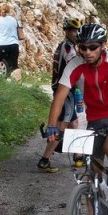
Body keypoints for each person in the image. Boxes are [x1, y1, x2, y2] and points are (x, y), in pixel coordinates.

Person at [45, 23, 108, 203]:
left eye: (93, 47)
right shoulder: (74, 65)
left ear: (103, 46)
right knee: (93, 174)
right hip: (95, 118)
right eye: (83, 47)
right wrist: (51, 125)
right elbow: (60, 97)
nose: (88, 52)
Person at [38, 17, 84, 173]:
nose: (76, 33)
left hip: (64, 90)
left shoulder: (65, 46)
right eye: (73, 31)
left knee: (74, 123)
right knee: (61, 127)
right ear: (67, 32)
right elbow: (75, 71)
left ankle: (78, 157)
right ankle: (44, 159)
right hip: (65, 91)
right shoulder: (69, 49)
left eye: (77, 30)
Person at [0, 4, 24, 82]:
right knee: (14, 65)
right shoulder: (14, 20)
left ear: (0, 10)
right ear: (9, 11)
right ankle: (19, 84)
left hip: (2, 44)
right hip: (14, 45)